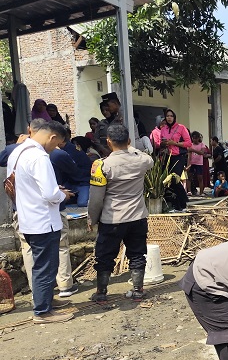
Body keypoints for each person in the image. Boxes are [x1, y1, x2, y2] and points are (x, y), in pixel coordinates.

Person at [7, 120, 74, 322]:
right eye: (57, 144)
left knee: (41, 264)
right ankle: (43, 311)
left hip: (28, 216)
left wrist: (55, 192)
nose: (55, 149)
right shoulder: (39, 157)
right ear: (52, 137)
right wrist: (64, 195)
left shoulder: (18, 152)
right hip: (43, 220)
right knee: (46, 266)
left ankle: (46, 300)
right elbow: (50, 194)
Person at [88, 124, 154, 302]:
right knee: (137, 253)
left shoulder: (102, 165)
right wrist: (129, 147)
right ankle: (138, 290)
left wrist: (92, 219)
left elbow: (96, 199)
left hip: (112, 219)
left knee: (105, 256)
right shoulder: (142, 161)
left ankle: (101, 293)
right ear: (129, 141)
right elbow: (148, 158)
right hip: (137, 217)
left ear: (108, 141)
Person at [158, 108, 192, 177]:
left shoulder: (181, 128)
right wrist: (164, 143)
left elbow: (188, 143)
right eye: (167, 116)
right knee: (166, 180)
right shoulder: (163, 129)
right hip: (167, 156)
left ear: (174, 117)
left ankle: (181, 188)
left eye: (171, 116)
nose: (169, 118)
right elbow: (160, 143)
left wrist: (175, 143)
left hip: (178, 157)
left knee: (175, 179)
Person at [186, 131, 209, 196]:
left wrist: (193, 150)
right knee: (189, 177)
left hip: (199, 163)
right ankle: (189, 191)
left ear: (198, 138)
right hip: (192, 163)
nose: (195, 140)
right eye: (193, 138)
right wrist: (188, 164)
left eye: (196, 138)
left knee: (200, 177)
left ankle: (201, 192)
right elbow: (189, 155)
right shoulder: (190, 144)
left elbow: (202, 153)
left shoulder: (202, 145)